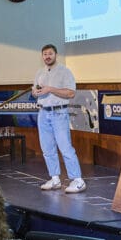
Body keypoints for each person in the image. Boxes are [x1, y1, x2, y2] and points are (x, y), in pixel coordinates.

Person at [33, 44, 86, 193]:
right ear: (42, 56)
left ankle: (78, 180)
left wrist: (51, 89)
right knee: (47, 148)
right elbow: (35, 90)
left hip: (58, 113)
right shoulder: (40, 72)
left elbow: (71, 93)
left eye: (50, 53)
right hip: (43, 112)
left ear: (56, 55)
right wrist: (35, 92)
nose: (47, 56)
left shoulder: (65, 72)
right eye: (44, 54)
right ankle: (55, 178)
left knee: (65, 147)